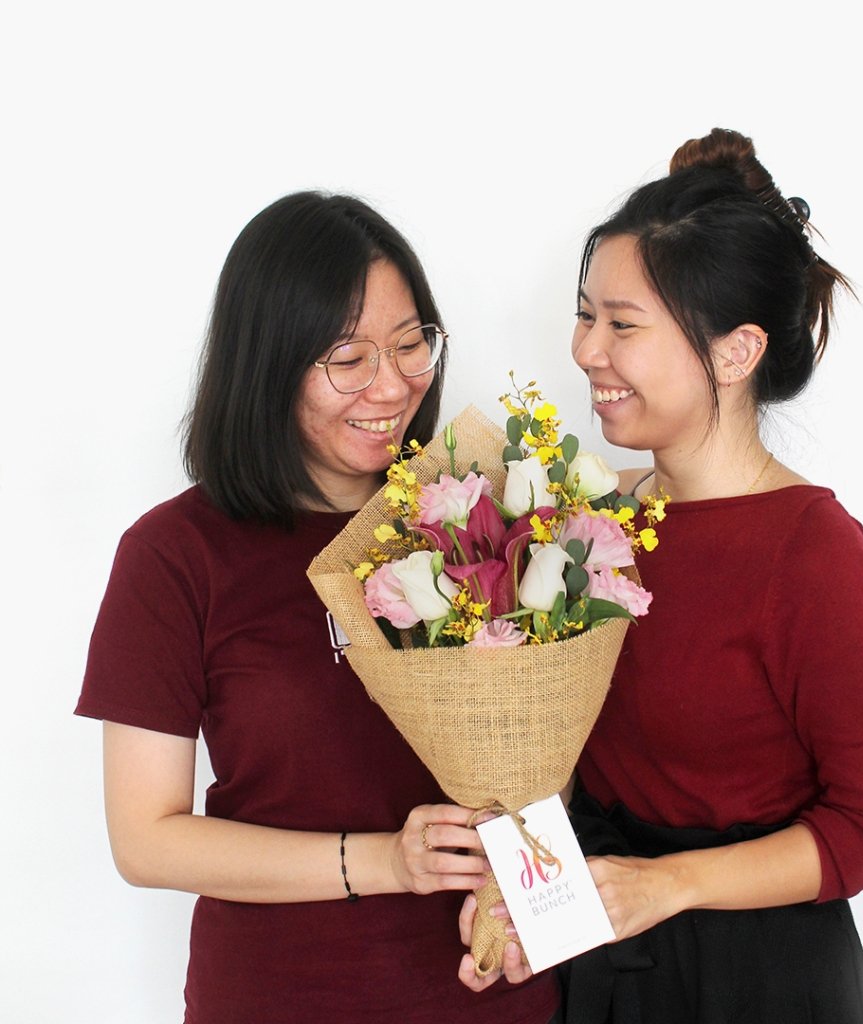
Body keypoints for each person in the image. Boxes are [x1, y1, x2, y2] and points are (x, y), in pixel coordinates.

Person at [466, 129, 863, 1022]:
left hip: (762, 977)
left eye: (622, 324)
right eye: (586, 314)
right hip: (608, 964)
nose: (585, 349)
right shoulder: (588, 516)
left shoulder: (814, 556)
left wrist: (670, 885)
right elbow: (570, 767)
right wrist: (521, 899)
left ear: (735, 352)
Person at [75, 191, 559, 1024]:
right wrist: (386, 862)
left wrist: (531, 905)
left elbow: (547, 761)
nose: (392, 384)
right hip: (282, 996)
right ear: (268, 363)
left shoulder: (478, 519)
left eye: (410, 343)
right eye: (348, 357)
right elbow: (146, 839)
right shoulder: (176, 555)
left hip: (495, 997)